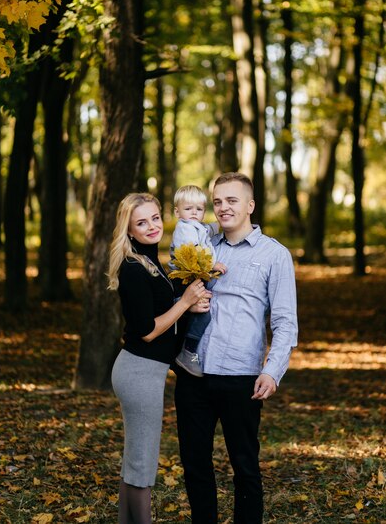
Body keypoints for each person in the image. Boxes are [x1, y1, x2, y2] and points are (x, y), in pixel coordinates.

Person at [174, 172, 298, 524]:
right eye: (217, 201)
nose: (223, 208)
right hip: (193, 373)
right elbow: (172, 287)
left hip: (240, 376)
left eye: (231, 200)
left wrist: (272, 370)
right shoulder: (201, 245)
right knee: (195, 464)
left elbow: (285, 321)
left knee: (244, 465)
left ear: (250, 205)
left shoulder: (274, 254)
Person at [108, 192, 209, 524]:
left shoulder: (151, 260)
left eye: (154, 218)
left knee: (135, 460)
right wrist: (184, 303)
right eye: (141, 222)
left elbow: (163, 317)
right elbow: (147, 330)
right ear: (130, 230)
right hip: (138, 373)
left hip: (146, 371)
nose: (151, 226)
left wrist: (187, 305)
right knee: (143, 463)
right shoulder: (134, 268)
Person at [169, 185, 227, 377]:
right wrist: (212, 264)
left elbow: (209, 229)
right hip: (186, 277)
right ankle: (188, 351)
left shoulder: (196, 226)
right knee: (203, 314)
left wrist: (224, 221)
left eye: (199, 209)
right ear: (177, 211)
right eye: (188, 209)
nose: (194, 212)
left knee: (200, 311)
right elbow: (193, 251)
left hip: (195, 275)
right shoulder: (184, 230)